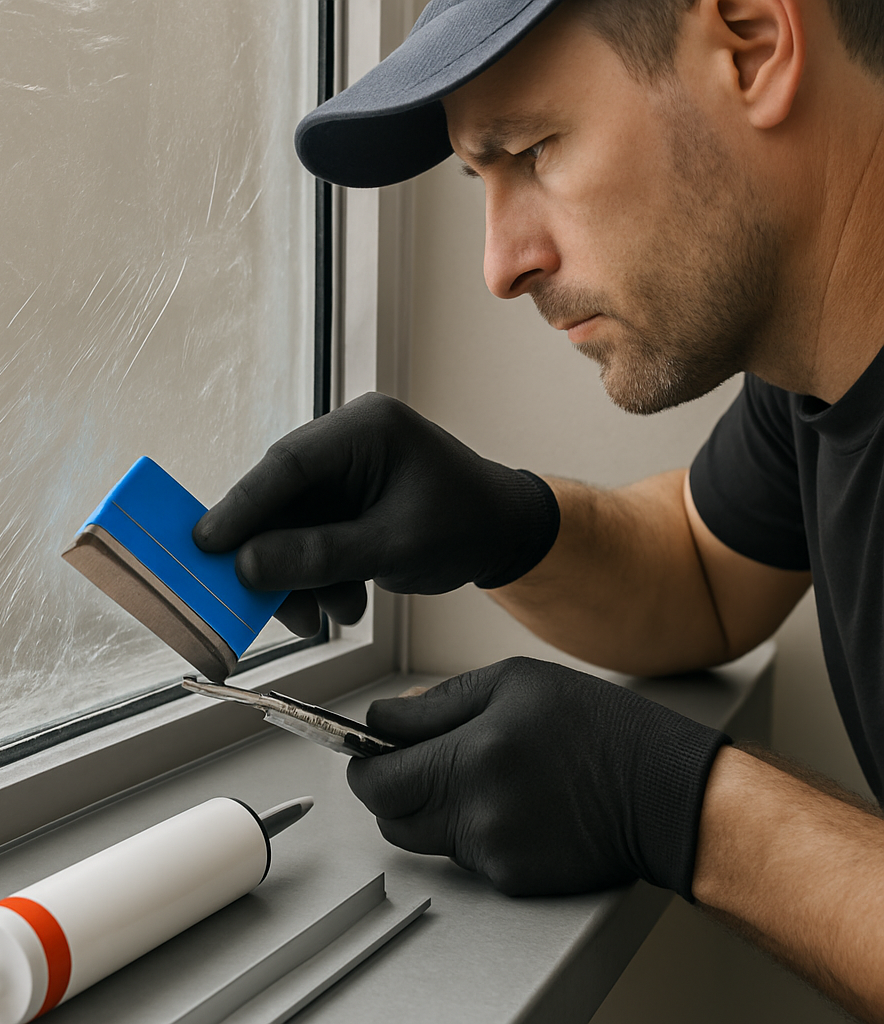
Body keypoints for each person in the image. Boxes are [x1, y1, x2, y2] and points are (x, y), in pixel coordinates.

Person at [194, 0, 884, 1018]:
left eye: (531, 150)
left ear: (752, 43)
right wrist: (506, 526)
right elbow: (703, 571)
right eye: (481, 178)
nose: (501, 263)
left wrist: (679, 805)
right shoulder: (814, 359)